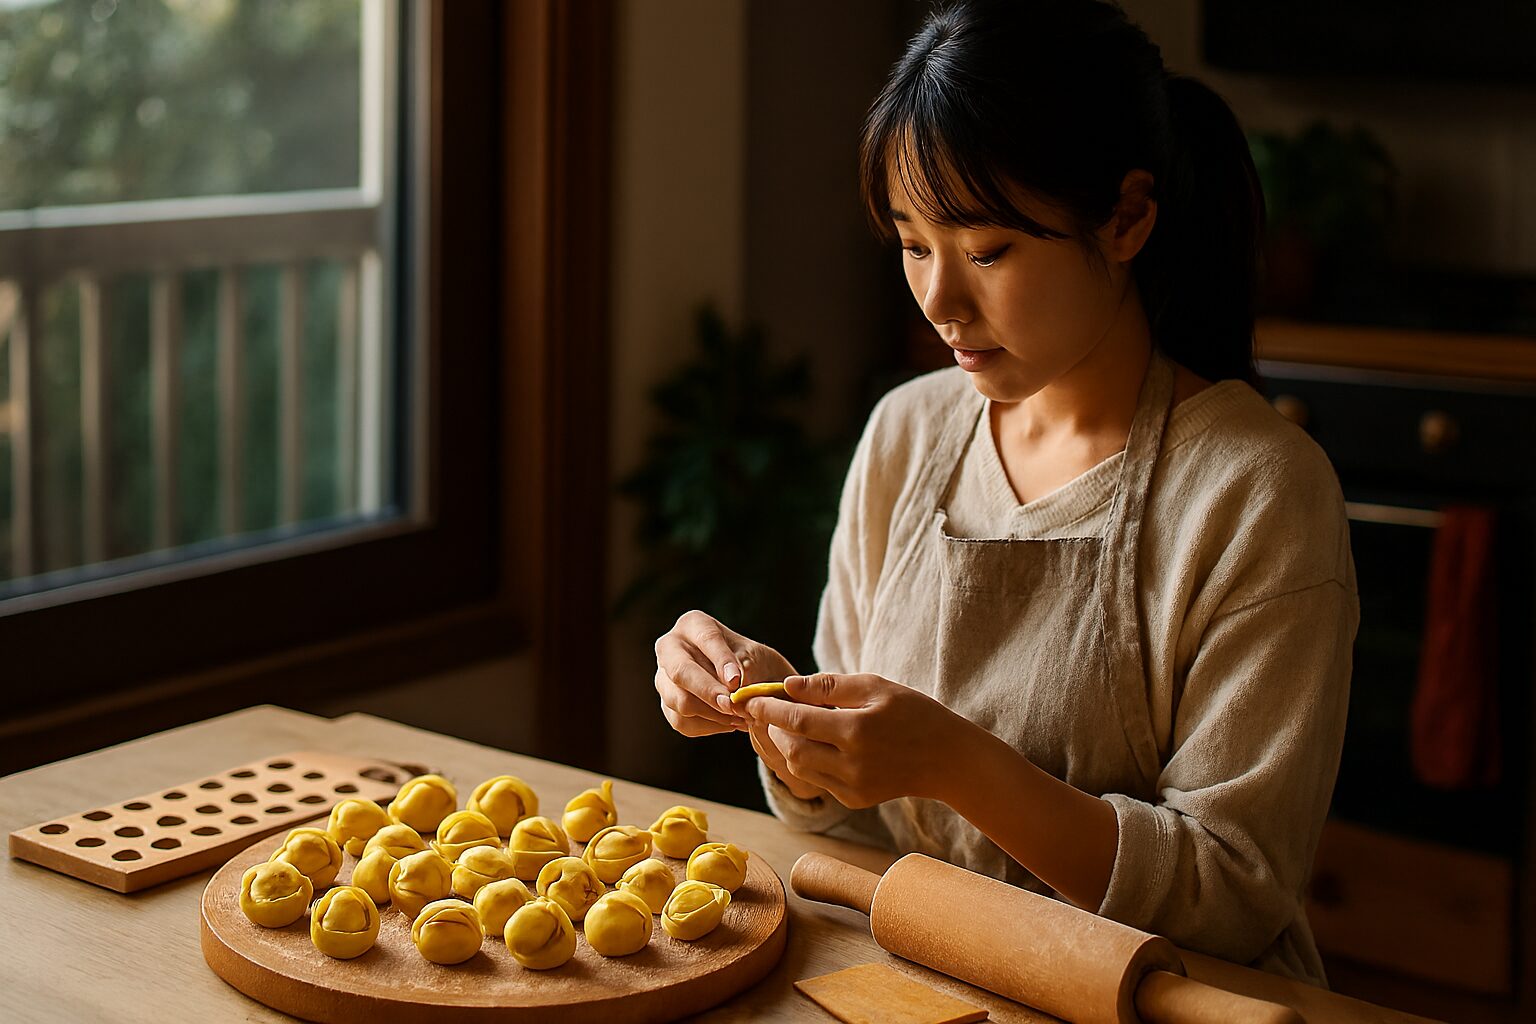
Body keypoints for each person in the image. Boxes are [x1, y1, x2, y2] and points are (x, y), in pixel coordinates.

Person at [651, 0, 1357, 988]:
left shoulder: (1255, 489)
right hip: (926, 980)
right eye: (910, 243)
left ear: (1126, 219)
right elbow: (859, 822)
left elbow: (1234, 896)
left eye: (986, 251)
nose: (939, 301)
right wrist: (778, 711)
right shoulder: (910, 431)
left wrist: (953, 761)